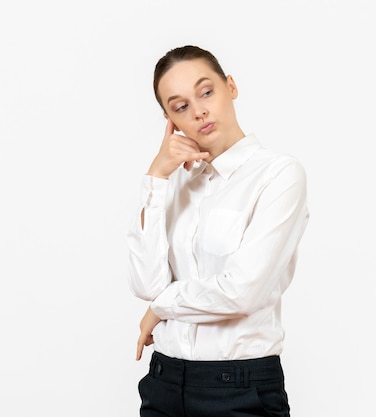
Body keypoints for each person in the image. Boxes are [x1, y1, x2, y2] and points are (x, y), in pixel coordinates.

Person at [127, 45, 309, 417]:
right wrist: (156, 177)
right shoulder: (172, 185)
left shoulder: (278, 175)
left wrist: (160, 308)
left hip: (239, 388)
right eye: (180, 106)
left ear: (231, 86)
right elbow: (146, 283)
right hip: (163, 381)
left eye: (206, 91)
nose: (198, 111)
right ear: (169, 119)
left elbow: (241, 291)